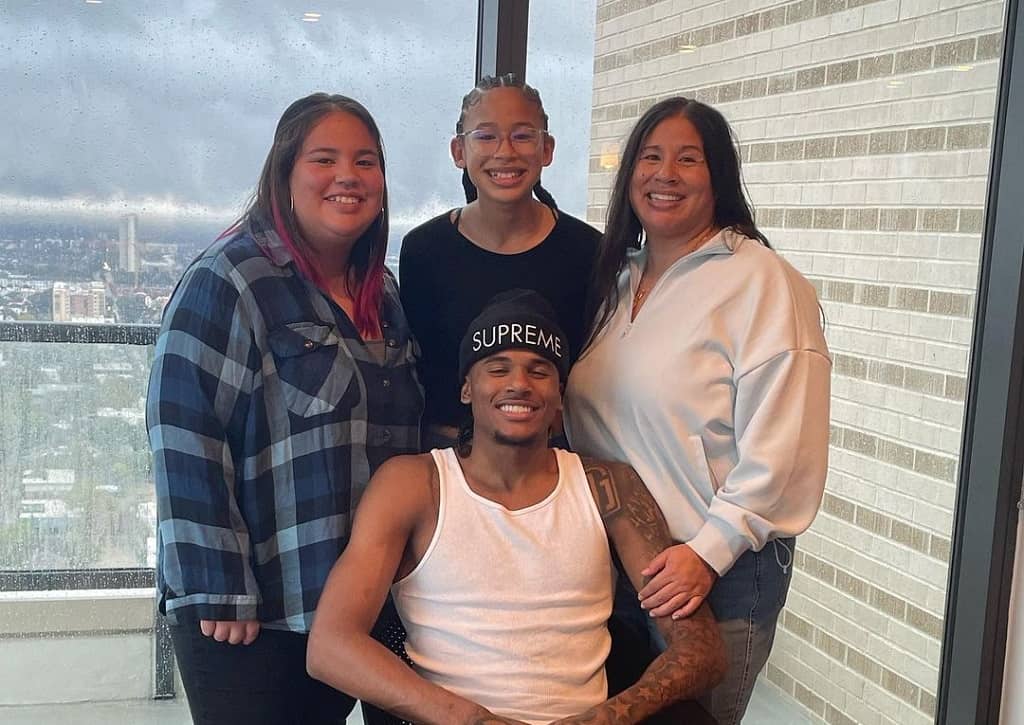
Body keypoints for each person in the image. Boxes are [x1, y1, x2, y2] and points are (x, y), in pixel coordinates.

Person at [306, 289, 727, 725]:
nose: (519, 384)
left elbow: (703, 650)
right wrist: (477, 721)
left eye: (539, 371)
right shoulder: (413, 484)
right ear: (467, 388)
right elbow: (330, 646)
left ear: (559, 394)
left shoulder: (608, 487)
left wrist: (606, 718)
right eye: (498, 368)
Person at [146, 93, 422, 725]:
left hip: (360, 607)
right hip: (257, 613)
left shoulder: (382, 293)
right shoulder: (230, 278)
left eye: (366, 161)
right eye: (324, 159)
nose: (348, 176)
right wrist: (217, 583)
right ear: (284, 172)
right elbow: (184, 432)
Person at [563, 96, 832, 725]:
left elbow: (785, 452)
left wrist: (708, 552)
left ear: (719, 176)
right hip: (618, 564)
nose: (665, 174)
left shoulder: (763, 283)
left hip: (712, 573)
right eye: (650, 157)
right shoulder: (617, 279)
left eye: (688, 159)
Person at [399, 73, 600, 451]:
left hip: (550, 456)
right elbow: (418, 375)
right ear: (459, 151)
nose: (505, 151)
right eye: (486, 136)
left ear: (547, 149)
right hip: (445, 456)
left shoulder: (588, 251)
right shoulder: (423, 251)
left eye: (523, 135)